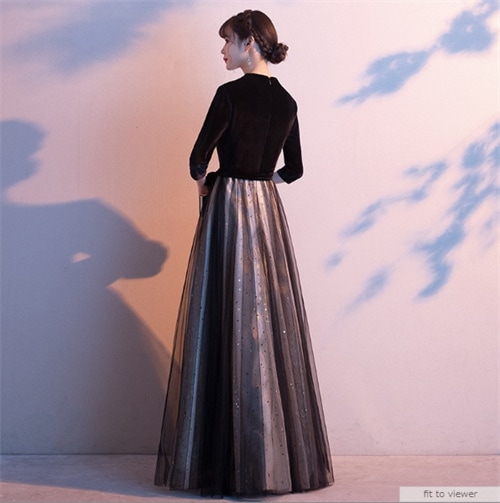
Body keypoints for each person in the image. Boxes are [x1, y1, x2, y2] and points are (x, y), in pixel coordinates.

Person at [154, 9, 334, 497]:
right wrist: (262, 182)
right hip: (267, 212)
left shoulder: (229, 95)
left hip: (230, 209)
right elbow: (294, 170)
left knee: (223, 315)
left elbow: (197, 158)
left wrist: (208, 184)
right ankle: (274, 461)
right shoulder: (288, 101)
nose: (223, 50)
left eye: (228, 41)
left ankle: (222, 460)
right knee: (265, 321)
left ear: (250, 42)